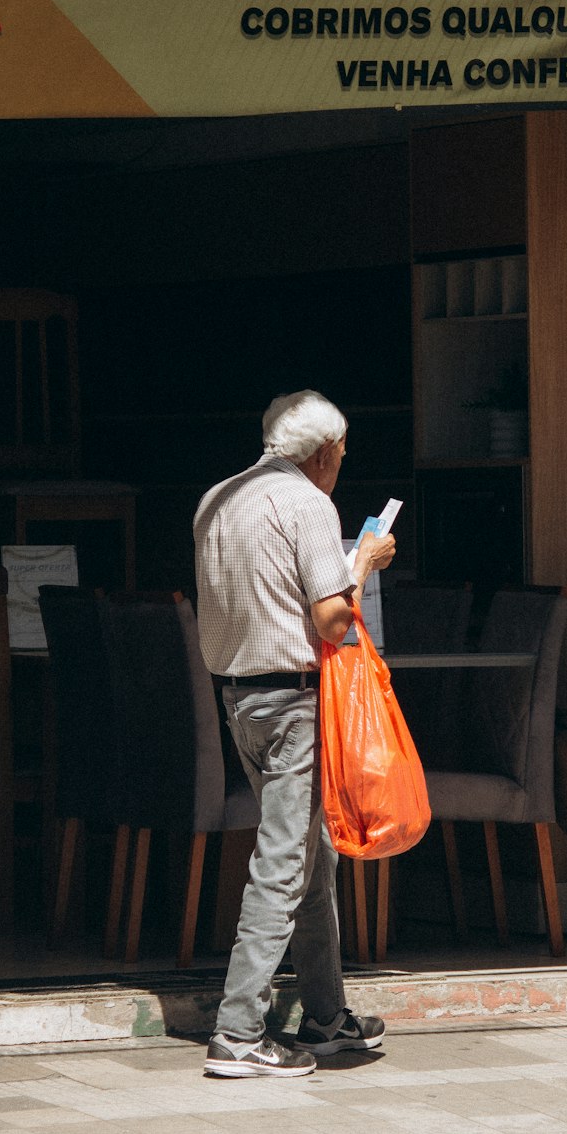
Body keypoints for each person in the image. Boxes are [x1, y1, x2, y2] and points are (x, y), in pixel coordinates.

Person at [194, 389, 396, 1078]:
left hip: (240, 700)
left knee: (314, 860)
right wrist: (363, 561)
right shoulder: (309, 503)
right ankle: (239, 1031)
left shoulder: (219, 497)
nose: (342, 461)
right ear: (320, 452)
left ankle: (325, 1017)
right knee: (284, 864)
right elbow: (333, 621)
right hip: (292, 704)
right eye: (341, 450)